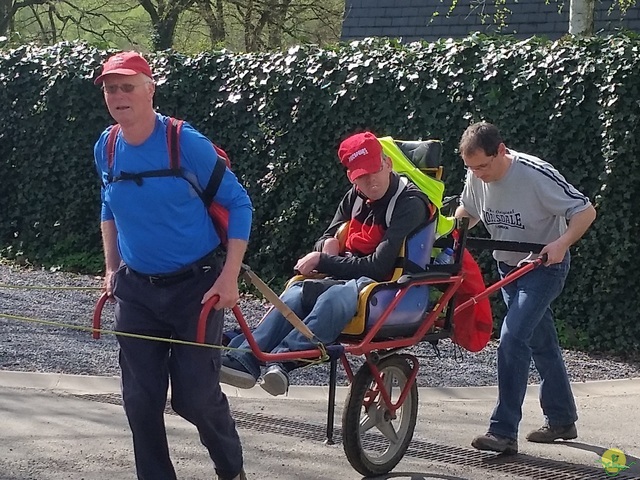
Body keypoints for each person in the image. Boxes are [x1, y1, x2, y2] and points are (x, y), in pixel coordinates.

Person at [93, 51, 252, 480]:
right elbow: (108, 207)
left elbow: (238, 204)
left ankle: (231, 469)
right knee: (140, 400)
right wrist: (112, 267)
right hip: (137, 291)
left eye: (128, 86)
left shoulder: (184, 143)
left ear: (150, 88)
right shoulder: (106, 147)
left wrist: (229, 274)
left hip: (196, 288)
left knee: (195, 399)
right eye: (111, 88)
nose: (118, 95)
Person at [220, 131, 435, 396]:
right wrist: (326, 246)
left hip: (387, 286)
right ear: (351, 177)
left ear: (387, 164)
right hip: (348, 274)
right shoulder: (354, 196)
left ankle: (283, 363)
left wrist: (324, 259)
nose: (370, 182)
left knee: (336, 297)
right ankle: (245, 359)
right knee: (297, 292)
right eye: (361, 177)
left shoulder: (410, 204)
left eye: (374, 171)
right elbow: (327, 235)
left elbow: (379, 267)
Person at [455, 121, 597, 455]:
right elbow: (469, 210)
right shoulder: (476, 175)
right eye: (470, 167)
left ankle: (503, 431)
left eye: (483, 166)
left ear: (501, 150)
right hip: (510, 267)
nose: (478, 174)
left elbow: (585, 211)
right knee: (541, 341)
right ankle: (562, 419)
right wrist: (454, 229)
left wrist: (561, 243)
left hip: (544, 267)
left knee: (512, 337)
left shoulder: (535, 174)